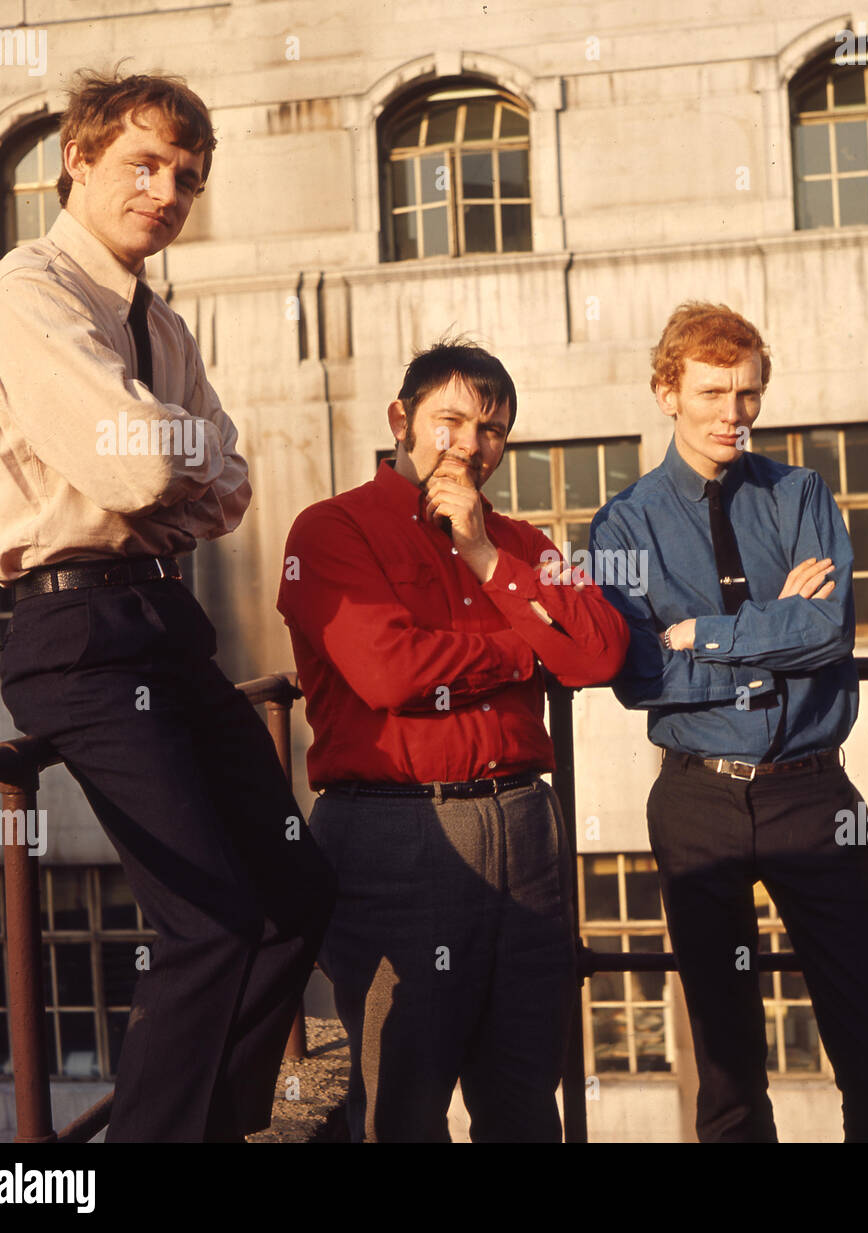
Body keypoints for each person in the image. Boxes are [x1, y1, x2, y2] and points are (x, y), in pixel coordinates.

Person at [0, 70, 335, 1142]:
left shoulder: (157, 325)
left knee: (296, 888)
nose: (167, 190)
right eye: (143, 163)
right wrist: (179, 455)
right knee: (210, 918)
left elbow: (232, 487)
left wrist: (172, 455)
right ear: (76, 161)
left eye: (186, 175)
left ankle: (209, 1124)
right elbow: (140, 475)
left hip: (166, 624)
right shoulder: (28, 296)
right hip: (77, 632)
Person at [277, 340, 629, 1142]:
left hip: (525, 827)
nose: (472, 445)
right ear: (401, 419)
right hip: (395, 834)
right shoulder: (330, 531)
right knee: (400, 1103)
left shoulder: (520, 542)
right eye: (452, 420)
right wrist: (523, 649)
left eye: (494, 429)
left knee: (524, 1098)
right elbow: (390, 673)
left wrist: (483, 554)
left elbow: (601, 652)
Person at [588, 302, 868, 1143]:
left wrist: (705, 633)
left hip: (813, 788)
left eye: (748, 394)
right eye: (712, 393)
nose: (733, 415)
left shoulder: (800, 492)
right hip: (698, 798)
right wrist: (773, 629)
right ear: (668, 393)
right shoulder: (623, 523)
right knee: (726, 1050)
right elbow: (636, 673)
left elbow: (828, 630)